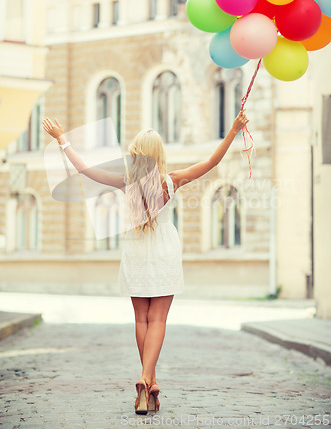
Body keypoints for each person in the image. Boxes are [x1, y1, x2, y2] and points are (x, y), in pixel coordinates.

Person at [42, 108, 249, 415]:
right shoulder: (172, 181)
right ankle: (145, 379)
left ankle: (148, 382)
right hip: (164, 249)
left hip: (136, 250)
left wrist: (62, 140)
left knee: (141, 319)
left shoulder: (125, 181)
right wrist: (233, 130)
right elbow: (212, 162)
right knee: (159, 320)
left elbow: (85, 170)